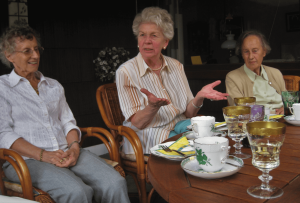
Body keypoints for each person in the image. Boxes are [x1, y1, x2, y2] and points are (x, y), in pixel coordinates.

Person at [0, 24, 130, 203]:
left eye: (37, 49)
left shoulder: (53, 85)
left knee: (114, 182)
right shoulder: (3, 88)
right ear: (9, 55)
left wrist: (75, 148)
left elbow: (68, 122)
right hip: (26, 160)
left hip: (66, 150)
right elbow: (4, 134)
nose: (35, 56)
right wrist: (44, 155)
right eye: (27, 51)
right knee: (76, 192)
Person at [116, 7, 228, 160]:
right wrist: (152, 107)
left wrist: (199, 96)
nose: (147, 41)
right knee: (195, 150)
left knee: (214, 138)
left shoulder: (176, 66)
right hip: (148, 133)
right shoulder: (126, 72)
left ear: (165, 42)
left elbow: (188, 113)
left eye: (154, 35)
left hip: (179, 125)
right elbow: (138, 124)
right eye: (142, 35)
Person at [226, 30, 286, 114]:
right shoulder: (233, 77)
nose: (250, 57)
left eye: (255, 51)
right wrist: (272, 114)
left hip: (283, 121)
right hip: (256, 124)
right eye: (246, 51)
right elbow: (241, 111)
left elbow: (288, 102)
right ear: (242, 54)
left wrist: (285, 108)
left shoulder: (276, 73)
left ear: (264, 52)